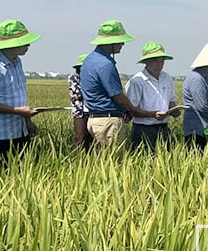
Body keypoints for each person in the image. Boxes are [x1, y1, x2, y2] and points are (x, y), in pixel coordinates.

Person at [81, 20, 166, 148]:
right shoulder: (105, 64)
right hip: (108, 120)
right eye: (120, 41)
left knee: (102, 160)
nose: (123, 44)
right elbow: (118, 96)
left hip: (95, 119)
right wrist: (133, 110)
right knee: (114, 161)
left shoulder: (90, 60)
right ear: (111, 42)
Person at [0, 20, 42, 159]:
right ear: (11, 44)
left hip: (19, 131)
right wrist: (18, 111)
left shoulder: (17, 61)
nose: (28, 45)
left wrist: (27, 120)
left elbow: (18, 97)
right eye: (24, 42)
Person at [125, 42, 180, 150]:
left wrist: (174, 110)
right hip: (143, 129)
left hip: (164, 128)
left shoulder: (167, 78)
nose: (159, 64)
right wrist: (152, 115)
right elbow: (131, 109)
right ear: (146, 61)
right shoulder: (137, 81)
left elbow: (171, 101)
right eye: (155, 60)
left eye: (161, 60)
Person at [69, 54, 92, 152]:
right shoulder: (73, 78)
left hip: (92, 111)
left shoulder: (92, 78)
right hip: (80, 113)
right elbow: (78, 94)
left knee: (92, 138)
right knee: (81, 138)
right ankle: (79, 160)